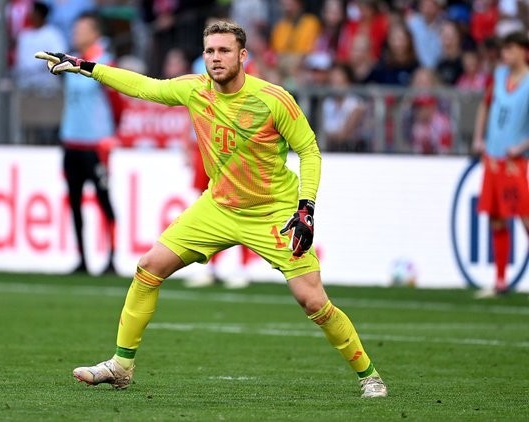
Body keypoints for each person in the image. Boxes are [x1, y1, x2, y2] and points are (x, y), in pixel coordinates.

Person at [36, 20, 387, 398]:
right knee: (149, 267)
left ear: (242, 55)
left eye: (224, 51)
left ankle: (370, 376)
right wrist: (88, 67)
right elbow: (145, 86)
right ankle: (121, 366)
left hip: (273, 212)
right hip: (218, 206)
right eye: (209, 51)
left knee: (312, 300)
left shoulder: (274, 99)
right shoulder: (195, 89)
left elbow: (309, 151)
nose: (216, 58)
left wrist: (307, 207)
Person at [472, 31, 529, 298]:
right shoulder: (499, 75)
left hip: (514, 162)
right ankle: (501, 280)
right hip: (493, 160)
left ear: (523, 51)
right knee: (496, 219)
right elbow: (485, 105)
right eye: (504, 49)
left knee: (525, 216)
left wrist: (522, 145)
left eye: (510, 49)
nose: (505, 54)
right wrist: (478, 137)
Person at [59, 11, 117, 274]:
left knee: (104, 200)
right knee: (74, 201)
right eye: (75, 30)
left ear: (95, 33)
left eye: (81, 30)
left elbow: (116, 101)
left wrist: (112, 134)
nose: (76, 34)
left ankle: (112, 258)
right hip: (72, 141)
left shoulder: (105, 62)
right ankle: (82, 259)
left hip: (96, 144)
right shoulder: (69, 61)